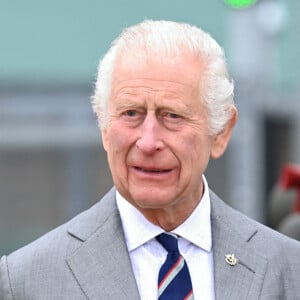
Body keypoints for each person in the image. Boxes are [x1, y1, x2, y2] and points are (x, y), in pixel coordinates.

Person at [1, 20, 300, 300]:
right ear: (104, 127)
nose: (148, 142)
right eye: (131, 113)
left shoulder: (288, 269)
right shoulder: (26, 281)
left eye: (172, 116)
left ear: (220, 132)